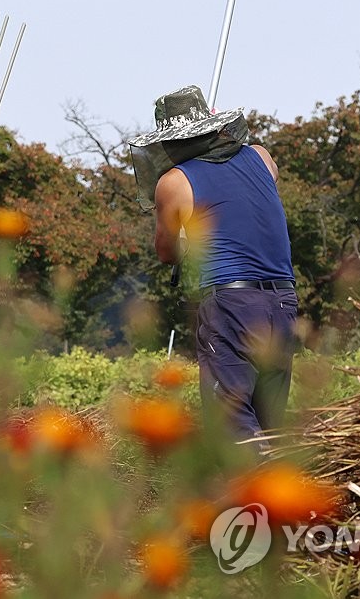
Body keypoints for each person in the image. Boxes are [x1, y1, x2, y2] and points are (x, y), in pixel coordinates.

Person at [128, 85, 298, 451]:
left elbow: (166, 252)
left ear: (169, 143)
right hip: (283, 300)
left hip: (231, 305)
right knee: (270, 422)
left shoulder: (173, 182)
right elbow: (258, 190)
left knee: (231, 421)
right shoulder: (261, 156)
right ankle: (277, 499)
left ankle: (255, 498)